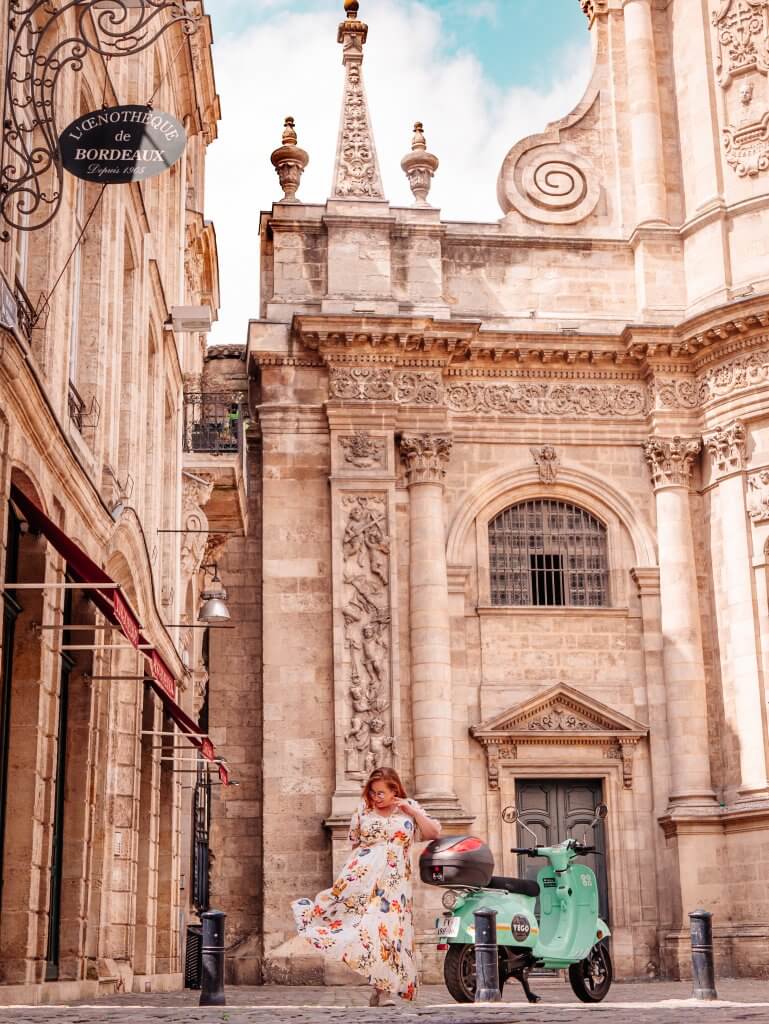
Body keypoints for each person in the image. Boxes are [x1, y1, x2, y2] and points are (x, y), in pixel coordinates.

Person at [292, 767, 441, 1006]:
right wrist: (346, 882)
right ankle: (381, 988)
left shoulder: (408, 808)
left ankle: (382, 989)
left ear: (395, 790)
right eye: (372, 793)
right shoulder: (363, 810)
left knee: (390, 933)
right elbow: (354, 847)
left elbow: (433, 832)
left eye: (380, 793)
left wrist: (411, 810)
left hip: (395, 886)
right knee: (368, 930)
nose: (375, 797)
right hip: (363, 880)